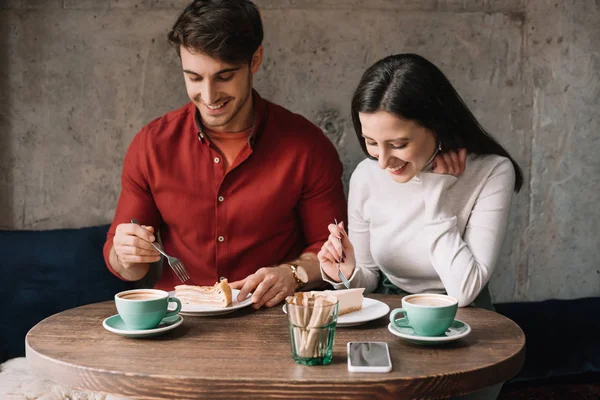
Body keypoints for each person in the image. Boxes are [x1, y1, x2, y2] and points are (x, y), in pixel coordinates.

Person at [103, 0, 346, 309]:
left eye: (224, 76)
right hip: (180, 321)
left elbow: (333, 252)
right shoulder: (151, 145)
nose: (208, 96)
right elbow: (125, 264)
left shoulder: (308, 147)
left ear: (255, 59)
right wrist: (128, 253)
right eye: (194, 78)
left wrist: (293, 273)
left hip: (270, 319)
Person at [318, 53, 523, 399]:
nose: (383, 162)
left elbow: (465, 289)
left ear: (437, 125)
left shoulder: (491, 171)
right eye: (370, 143)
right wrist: (347, 271)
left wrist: (436, 198)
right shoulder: (367, 175)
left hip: (468, 323)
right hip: (392, 322)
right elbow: (368, 277)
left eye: (398, 144)